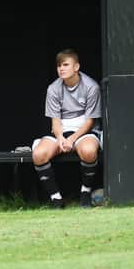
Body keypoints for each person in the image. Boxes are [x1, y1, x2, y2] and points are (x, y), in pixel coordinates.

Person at [31, 48, 102, 208]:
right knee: (39, 154)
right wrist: (61, 138)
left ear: (76, 67)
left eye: (65, 64)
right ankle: (56, 199)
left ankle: (85, 193)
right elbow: (55, 121)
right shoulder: (53, 88)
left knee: (89, 151)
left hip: (84, 130)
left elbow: (90, 121)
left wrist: (72, 139)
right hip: (61, 131)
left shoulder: (91, 86)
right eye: (58, 66)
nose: (61, 68)